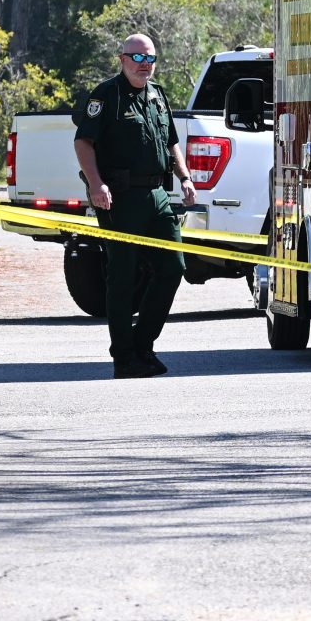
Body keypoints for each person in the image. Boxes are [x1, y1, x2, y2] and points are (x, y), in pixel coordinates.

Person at [73, 34, 199, 379]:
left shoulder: (157, 94)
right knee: (122, 277)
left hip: (157, 195)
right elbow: (83, 142)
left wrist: (185, 178)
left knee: (173, 267)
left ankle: (143, 344)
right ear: (122, 59)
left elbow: (171, 142)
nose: (145, 65)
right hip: (121, 197)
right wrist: (96, 184)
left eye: (150, 59)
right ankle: (124, 356)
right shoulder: (106, 95)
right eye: (138, 58)